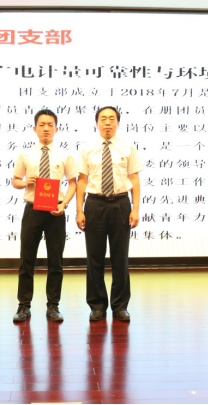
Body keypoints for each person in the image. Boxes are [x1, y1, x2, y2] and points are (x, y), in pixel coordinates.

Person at [76, 106, 143, 323]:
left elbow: (134, 179)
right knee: (94, 258)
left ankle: (120, 306)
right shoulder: (87, 148)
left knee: (120, 258)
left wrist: (135, 209)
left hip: (120, 203)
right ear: (96, 123)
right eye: (103, 119)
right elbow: (82, 181)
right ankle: (97, 306)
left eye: (112, 119)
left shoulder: (128, 147)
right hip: (95, 204)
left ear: (118, 123)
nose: (107, 123)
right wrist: (79, 210)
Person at [11, 109, 78, 323]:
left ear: (56, 129)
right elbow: (15, 181)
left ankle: (53, 306)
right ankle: (23, 306)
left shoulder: (65, 155)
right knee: (26, 260)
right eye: (42, 125)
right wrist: (26, 182)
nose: (46, 128)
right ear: (35, 128)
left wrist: (64, 204)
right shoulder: (26, 154)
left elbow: (73, 183)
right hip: (32, 210)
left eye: (50, 125)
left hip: (55, 211)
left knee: (55, 261)